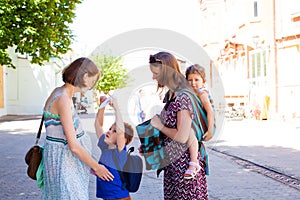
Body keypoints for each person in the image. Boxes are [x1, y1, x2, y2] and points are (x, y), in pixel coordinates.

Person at [42, 57, 114, 200]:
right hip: (65, 163)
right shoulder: (63, 98)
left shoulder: (61, 92)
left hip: (68, 162)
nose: (91, 87)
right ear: (85, 76)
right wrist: (97, 167)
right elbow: (73, 146)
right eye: (92, 82)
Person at [148, 52, 209, 199]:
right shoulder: (172, 95)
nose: (153, 77)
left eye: (155, 73)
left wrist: (159, 126)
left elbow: (182, 136)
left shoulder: (182, 96)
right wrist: (152, 144)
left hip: (185, 167)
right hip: (174, 166)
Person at [94, 95, 134, 200]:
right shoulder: (105, 146)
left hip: (119, 197)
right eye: (110, 128)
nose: (109, 131)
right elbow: (98, 125)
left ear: (124, 140)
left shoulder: (120, 152)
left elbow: (121, 133)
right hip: (107, 196)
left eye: (114, 131)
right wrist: (101, 107)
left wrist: (116, 109)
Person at [184, 64, 215, 179]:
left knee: (190, 132)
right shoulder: (192, 93)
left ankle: (194, 162)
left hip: (207, 122)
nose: (193, 83)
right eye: (190, 80)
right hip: (200, 121)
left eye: (197, 80)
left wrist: (210, 129)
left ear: (204, 81)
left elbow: (210, 111)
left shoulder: (202, 93)